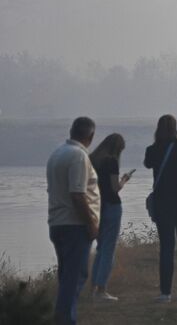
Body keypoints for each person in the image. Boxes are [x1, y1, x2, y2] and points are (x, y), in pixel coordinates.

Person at [47, 117, 100, 325]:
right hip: (74, 225)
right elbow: (78, 194)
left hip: (57, 222)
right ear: (91, 136)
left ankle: (64, 317)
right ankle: (65, 320)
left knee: (67, 277)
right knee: (74, 277)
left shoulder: (57, 153)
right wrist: (91, 223)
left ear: (71, 131)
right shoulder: (79, 156)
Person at [144, 114, 177, 303]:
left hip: (163, 204)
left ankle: (165, 293)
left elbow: (147, 163)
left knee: (166, 246)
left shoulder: (153, 150)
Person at [88, 133, 130, 302]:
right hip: (112, 207)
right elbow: (114, 189)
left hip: (97, 207)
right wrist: (124, 181)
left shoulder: (92, 160)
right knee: (108, 249)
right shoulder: (111, 162)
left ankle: (93, 288)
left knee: (100, 248)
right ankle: (101, 289)